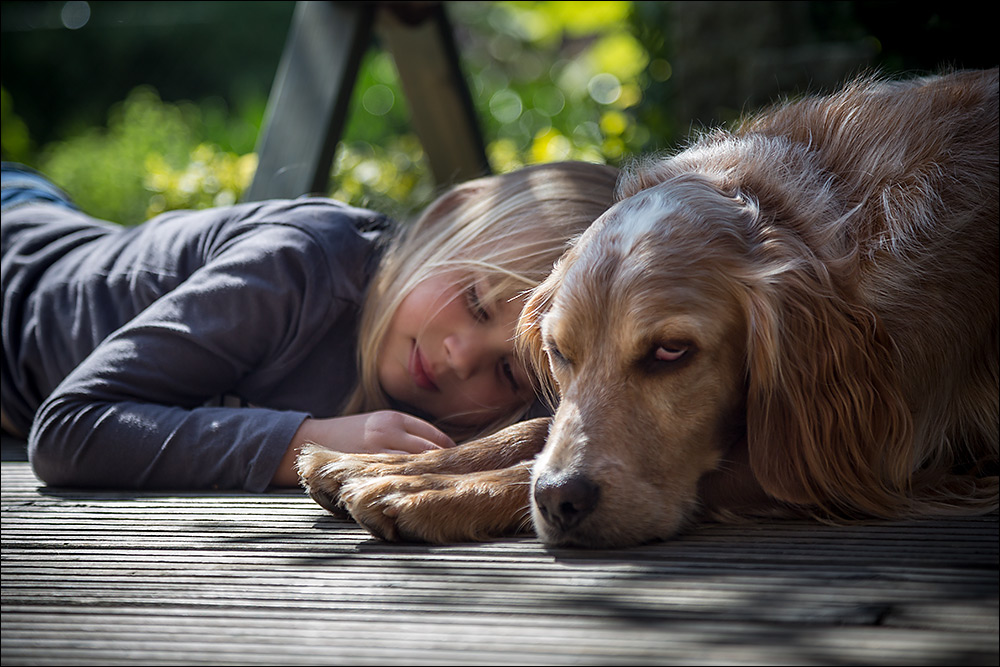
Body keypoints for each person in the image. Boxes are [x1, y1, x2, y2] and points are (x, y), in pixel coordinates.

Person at [1, 160, 618, 490]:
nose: (460, 356)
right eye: (475, 301)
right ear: (448, 217)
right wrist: (305, 443)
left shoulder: (455, 417)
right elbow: (67, 429)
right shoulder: (299, 263)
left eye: (508, 369)